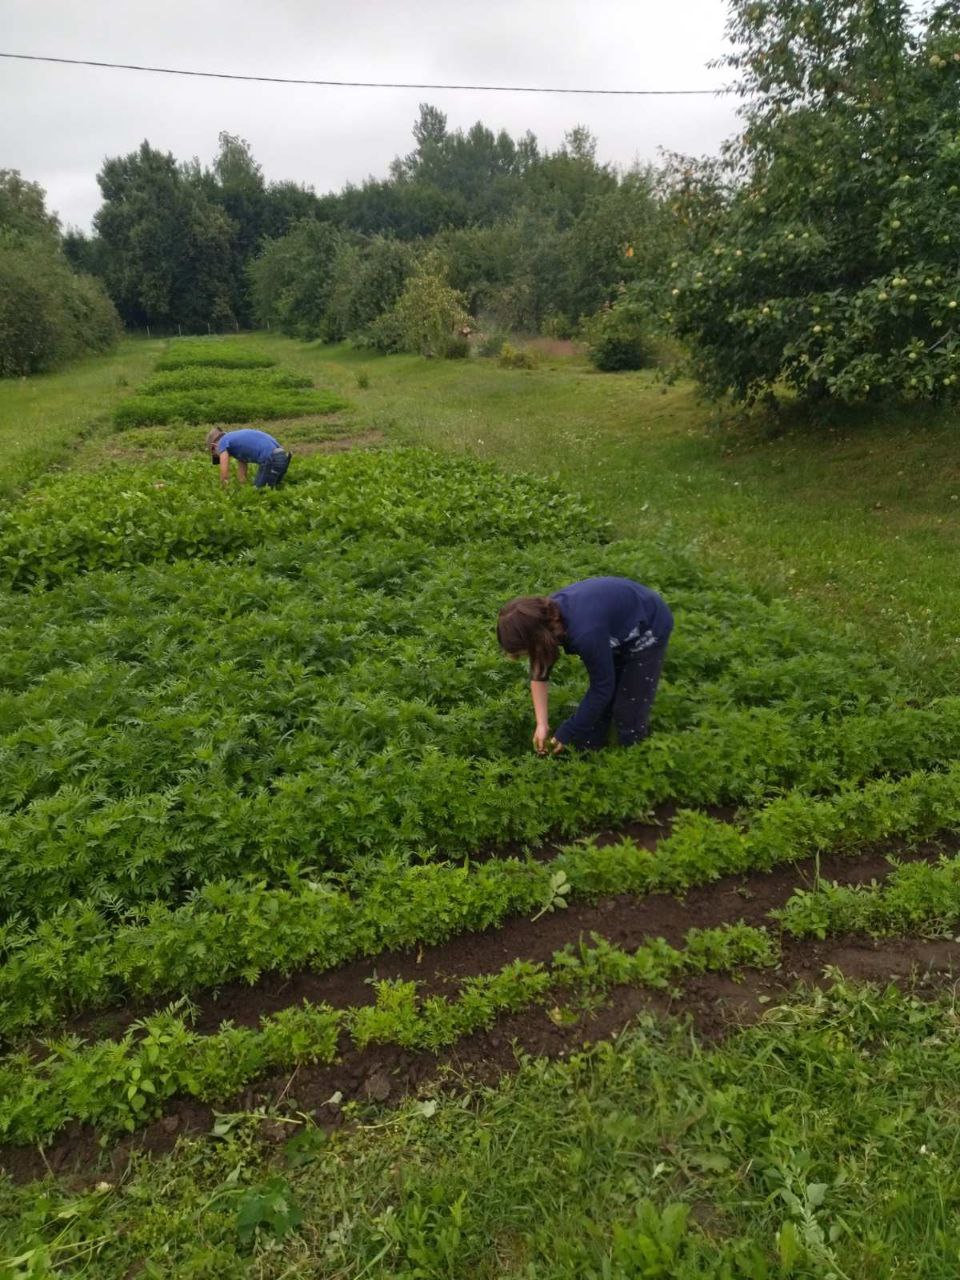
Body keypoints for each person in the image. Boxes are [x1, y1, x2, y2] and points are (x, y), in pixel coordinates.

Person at [497, 577, 673, 754]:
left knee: (628, 710)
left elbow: (602, 688)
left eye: (524, 652)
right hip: (612, 625)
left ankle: (634, 753)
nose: (527, 657)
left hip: (649, 623)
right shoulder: (544, 619)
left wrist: (567, 732)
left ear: (538, 639)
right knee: (598, 710)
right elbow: (539, 674)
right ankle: (591, 750)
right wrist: (542, 724)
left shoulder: (585, 634)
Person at [205, 427, 291, 488]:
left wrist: (223, 491)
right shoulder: (235, 441)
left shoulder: (223, 441)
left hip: (271, 459)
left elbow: (224, 472)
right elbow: (242, 473)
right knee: (272, 489)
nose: (220, 456)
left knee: (260, 493)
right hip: (282, 458)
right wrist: (243, 487)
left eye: (217, 455)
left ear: (214, 446)